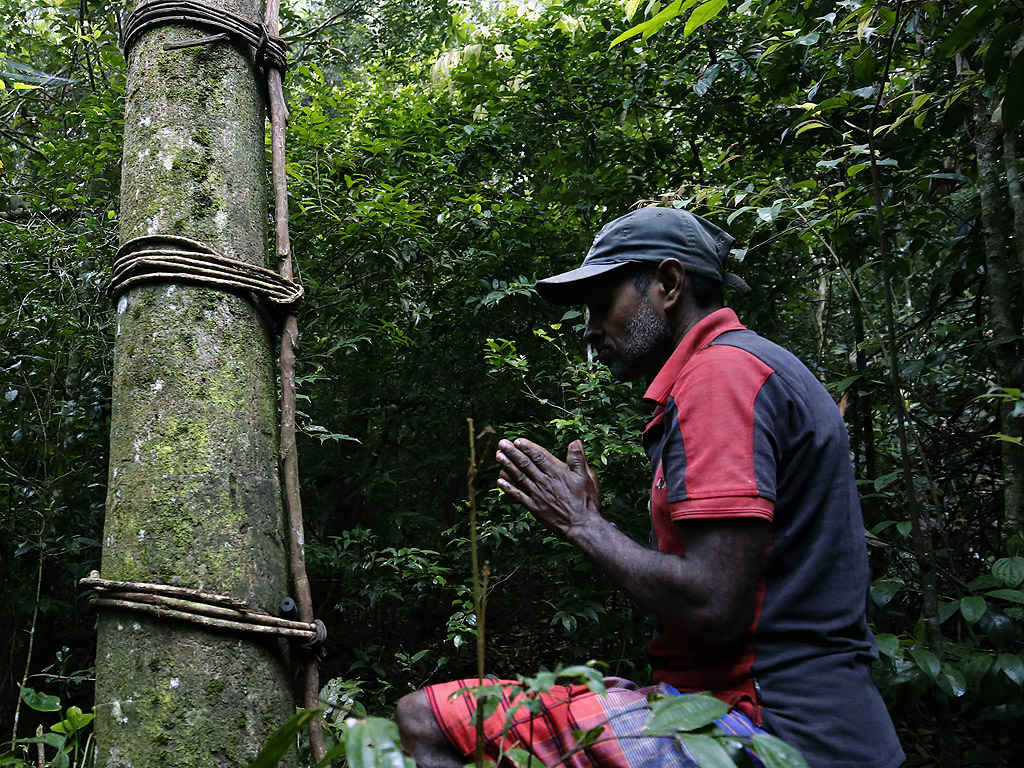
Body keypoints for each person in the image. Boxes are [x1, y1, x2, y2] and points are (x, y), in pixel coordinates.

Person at [396, 206, 905, 768]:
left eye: (601, 303)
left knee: (428, 719)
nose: (591, 328)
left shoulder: (721, 377)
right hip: (776, 715)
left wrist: (583, 524)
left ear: (668, 283)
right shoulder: (746, 366)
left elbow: (713, 603)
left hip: (768, 725)